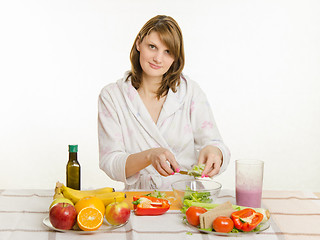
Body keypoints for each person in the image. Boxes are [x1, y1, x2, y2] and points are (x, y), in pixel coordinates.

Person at [98, 15, 230, 190]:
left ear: (176, 57)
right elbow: (110, 162)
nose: (158, 59)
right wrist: (149, 156)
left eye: (168, 51)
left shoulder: (190, 92)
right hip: (140, 202)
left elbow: (216, 144)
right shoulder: (112, 96)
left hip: (187, 201)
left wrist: (215, 152)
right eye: (152, 47)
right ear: (139, 44)